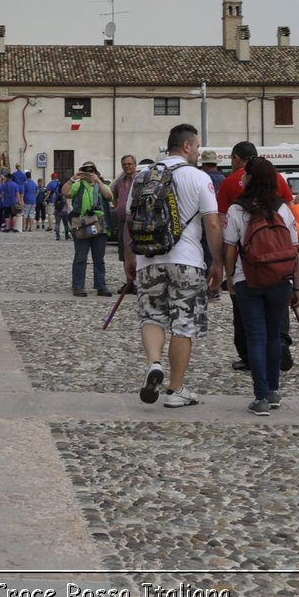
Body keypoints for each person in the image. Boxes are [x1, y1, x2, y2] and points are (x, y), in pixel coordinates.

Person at [123, 123, 223, 409]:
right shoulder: (198, 176)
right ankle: (175, 389)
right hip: (187, 260)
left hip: (148, 260)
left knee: (151, 316)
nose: (199, 151)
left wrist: (130, 257)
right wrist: (217, 261)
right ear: (187, 146)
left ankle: (154, 363)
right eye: (198, 146)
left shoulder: (143, 175)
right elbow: (212, 222)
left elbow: (129, 220)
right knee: (184, 325)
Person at [222, 158, 299, 415]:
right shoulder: (283, 209)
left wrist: (230, 278)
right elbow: (294, 250)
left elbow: (230, 247)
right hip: (280, 280)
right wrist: (296, 287)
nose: (241, 178)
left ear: (252, 179)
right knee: (273, 335)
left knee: (255, 336)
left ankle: (260, 396)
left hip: (249, 279)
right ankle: (274, 391)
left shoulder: (237, 209)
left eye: (245, 175)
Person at [64, 161, 115, 297]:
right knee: (80, 257)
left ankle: (101, 286)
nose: (89, 173)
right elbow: (65, 192)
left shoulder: (102, 185)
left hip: (100, 226)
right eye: (85, 170)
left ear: (96, 171)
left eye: (91, 170)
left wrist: (97, 180)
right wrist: (72, 179)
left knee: (99, 258)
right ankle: (78, 286)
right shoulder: (78, 185)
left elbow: (109, 196)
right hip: (82, 225)